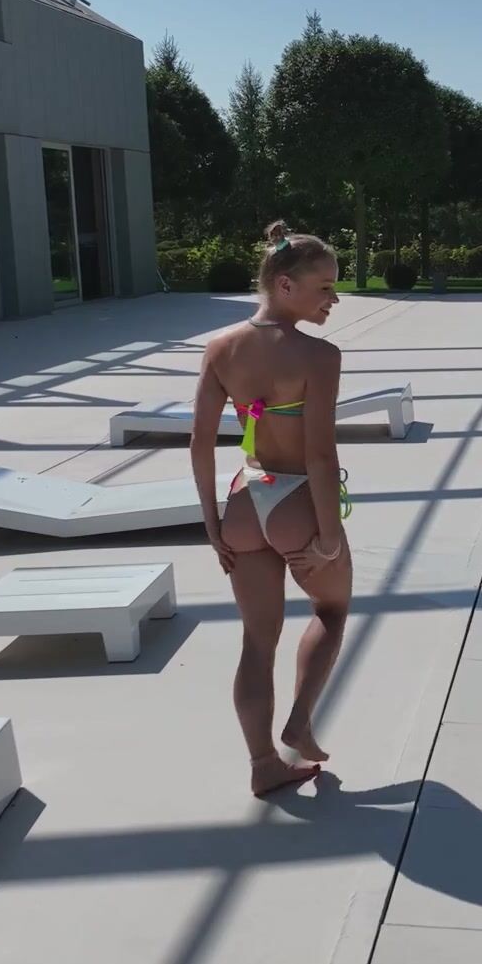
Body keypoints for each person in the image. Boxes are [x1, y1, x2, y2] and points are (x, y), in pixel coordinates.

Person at [191, 220, 352, 798]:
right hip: (296, 501)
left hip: (243, 499)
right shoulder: (318, 356)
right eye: (324, 287)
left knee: (257, 642)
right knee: (331, 610)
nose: (333, 299)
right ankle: (299, 722)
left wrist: (212, 524)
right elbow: (320, 454)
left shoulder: (220, 348)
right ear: (286, 285)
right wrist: (328, 532)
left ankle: (263, 764)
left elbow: (200, 443)